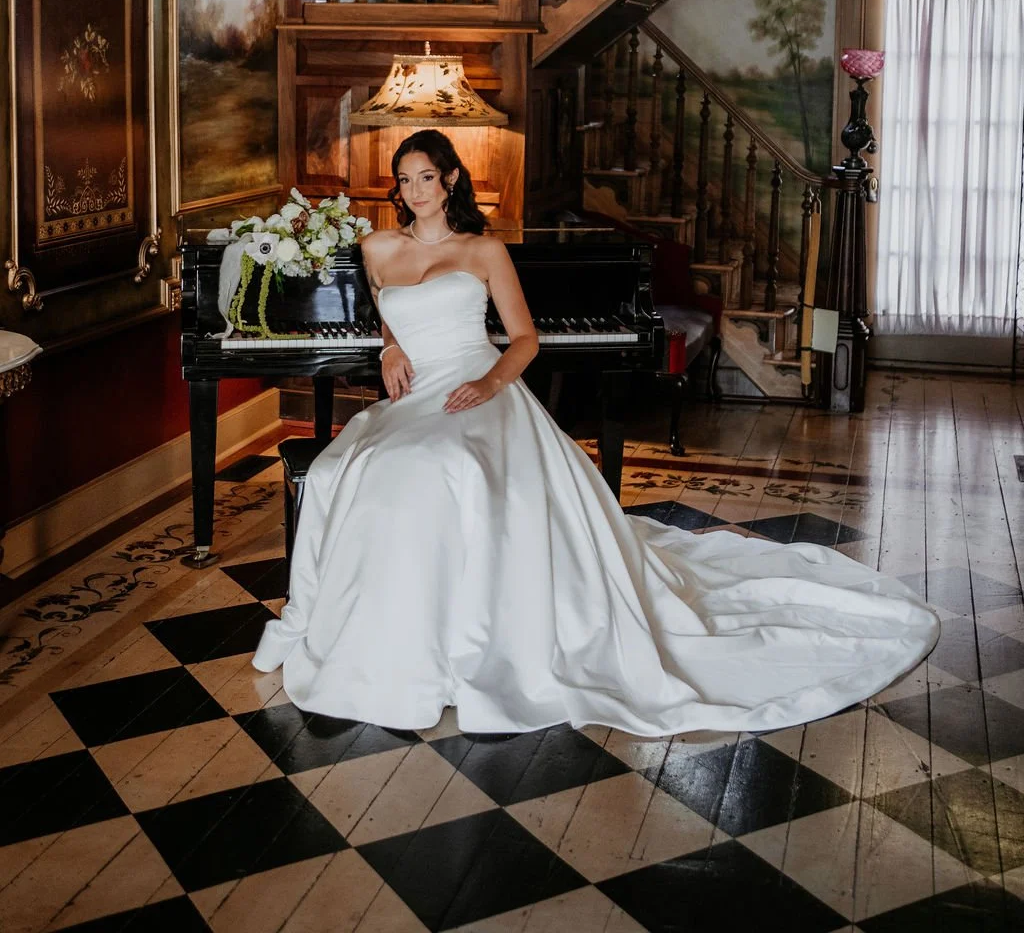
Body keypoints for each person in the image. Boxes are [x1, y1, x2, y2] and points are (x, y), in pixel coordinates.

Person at [253, 129, 938, 737]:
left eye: (425, 177)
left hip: (475, 384)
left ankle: (456, 640)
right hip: (418, 387)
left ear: (451, 179)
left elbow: (523, 341)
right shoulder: (376, 247)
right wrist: (388, 348)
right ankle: (378, 633)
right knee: (350, 468)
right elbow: (387, 313)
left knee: (437, 464)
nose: (413, 191)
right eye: (403, 180)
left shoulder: (484, 251)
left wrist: (491, 386)